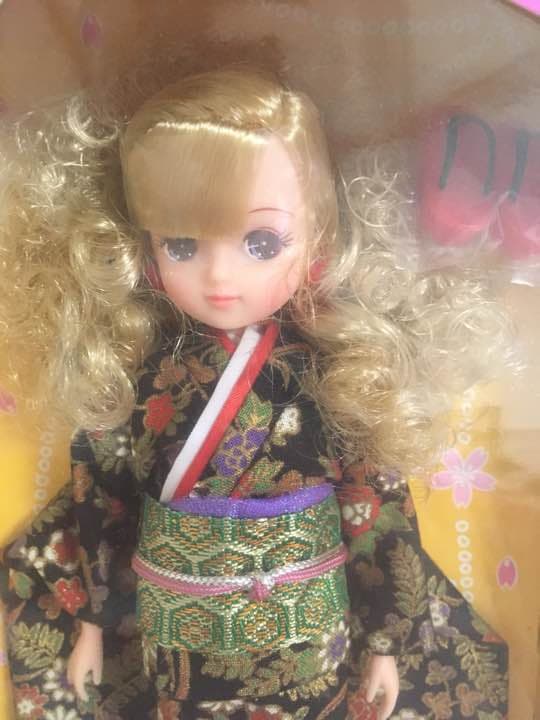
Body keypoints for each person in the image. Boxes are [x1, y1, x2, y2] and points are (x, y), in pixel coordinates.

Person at [0, 65, 509, 720]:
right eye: (182, 244)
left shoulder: (331, 374)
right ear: (144, 249)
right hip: (179, 650)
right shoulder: (142, 372)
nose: (219, 276)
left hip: (309, 647)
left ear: (316, 236)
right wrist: (93, 624)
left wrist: (383, 643)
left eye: (261, 243)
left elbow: (370, 502)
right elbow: (102, 497)